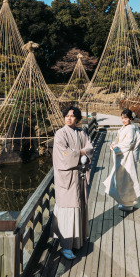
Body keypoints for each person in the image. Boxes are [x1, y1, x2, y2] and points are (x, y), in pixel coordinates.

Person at [52, 105, 93, 260]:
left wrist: (81, 152)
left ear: (77, 118)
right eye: (67, 116)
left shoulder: (81, 132)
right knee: (68, 210)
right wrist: (81, 152)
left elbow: (90, 147)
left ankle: (78, 240)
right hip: (67, 177)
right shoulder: (60, 134)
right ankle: (66, 246)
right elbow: (64, 155)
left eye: (72, 116)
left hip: (79, 176)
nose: (69, 118)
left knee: (79, 207)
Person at [103, 108, 140, 212]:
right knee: (123, 180)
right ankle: (125, 202)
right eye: (122, 118)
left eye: (126, 118)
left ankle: (127, 204)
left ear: (130, 119)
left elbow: (128, 144)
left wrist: (115, 147)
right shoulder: (126, 127)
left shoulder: (130, 129)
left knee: (126, 181)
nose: (123, 120)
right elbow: (119, 140)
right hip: (124, 157)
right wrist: (114, 144)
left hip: (127, 158)